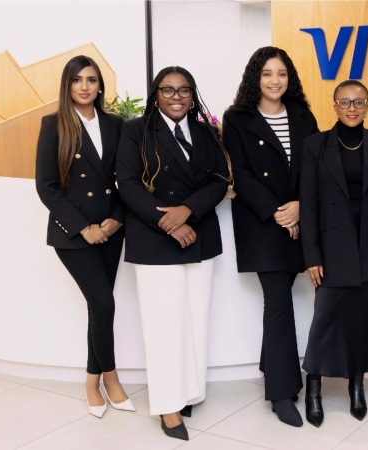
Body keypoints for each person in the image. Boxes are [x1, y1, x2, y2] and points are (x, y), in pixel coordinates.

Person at [116, 66, 231, 441]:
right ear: (156, 94)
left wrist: (188, 211)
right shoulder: (135, 131)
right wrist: (168, 221)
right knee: (163, 326)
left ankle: (189, 392)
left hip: (199, 235)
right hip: (155, 241)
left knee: (195, 320)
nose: (176, 96)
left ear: (193, 94)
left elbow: (219, 179)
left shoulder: (205, 131)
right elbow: (128, 184)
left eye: (184, 90)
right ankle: (168, 406)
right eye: (168, 90)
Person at [301, 80, 368, 427]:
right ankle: (313, 387)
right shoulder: (315, 145)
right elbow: (310, 204)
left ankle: (357, 386)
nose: (351, 108)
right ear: (333, 106)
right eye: (344, 102)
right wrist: (312, 256)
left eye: (358, 102)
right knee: (327, 319)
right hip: (332, 248)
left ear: (367, 106)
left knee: (365, 319)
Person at [222, 46, 318, 428]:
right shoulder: (237, 118)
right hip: (262, 225)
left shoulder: (303, 116)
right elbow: (239, 174)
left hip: (300, 221)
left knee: (279, 301)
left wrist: (299, 206)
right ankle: (281, 391)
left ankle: (271, 367)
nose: (275, 81)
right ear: (254, 79)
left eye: (281, 74)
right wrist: (280, 212)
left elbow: (314, 168)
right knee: (278, 302)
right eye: (267, 74)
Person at [35, 55, 134, 419]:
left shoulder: (115, 124)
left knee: (99, 305)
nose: (84, 87)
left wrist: (115, 221)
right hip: (73, 235)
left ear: (99, 86)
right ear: (67, 85)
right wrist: (83, 227)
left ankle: (92, 380)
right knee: (105, 304)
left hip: (110, 231)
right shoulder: (54, 125)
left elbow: (127, 178)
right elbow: (46, 187)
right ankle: (108, 378)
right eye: (77, 80)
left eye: (91, 80)